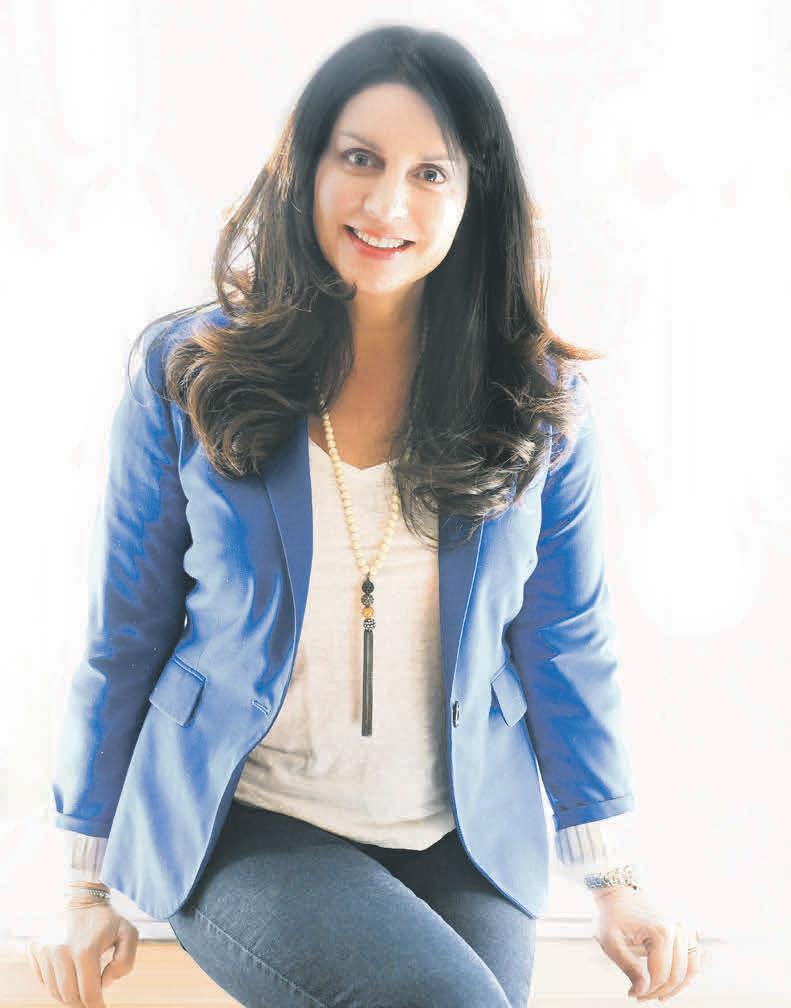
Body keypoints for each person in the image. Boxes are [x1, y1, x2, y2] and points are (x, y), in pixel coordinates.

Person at [26, 24, 703, 1008]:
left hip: (459, 828)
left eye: (430, 173)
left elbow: (562, 638)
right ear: (304, 167)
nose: (388, 205)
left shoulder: (534, 400)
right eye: (359, 159)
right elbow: (124, 633)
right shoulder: (189, 375)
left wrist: (614, 876)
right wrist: (82, 884)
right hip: (244, 821)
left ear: (475, 198)